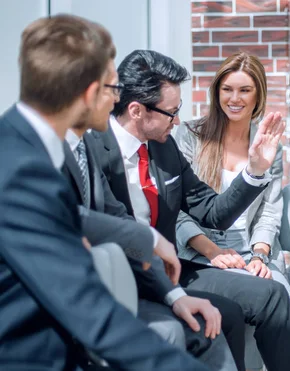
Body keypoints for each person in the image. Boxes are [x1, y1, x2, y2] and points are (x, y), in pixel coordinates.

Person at [0, 14, 206, 370]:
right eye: (113, 89)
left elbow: (76, 216)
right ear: (91, 94)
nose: (118, 101)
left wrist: (144, 236)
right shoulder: (21, 169)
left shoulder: (21, 147)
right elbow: (92, 314)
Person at [87, 49, 290, 371]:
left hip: (172, 269)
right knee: (227, 316)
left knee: (272, 295)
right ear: (137, 111)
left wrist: (255, 170)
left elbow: (213, 211)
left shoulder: (164, 147)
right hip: (128, 276)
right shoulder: (93, 150)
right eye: (171, 112)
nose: (178, 120)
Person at [61, 51, 242, 370]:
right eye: (111, 89)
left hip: (155, 275)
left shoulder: (160, 145)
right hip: (104, 293)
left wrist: (255, 172)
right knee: (182, 329)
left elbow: (119, 219)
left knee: (221, 317)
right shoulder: (82, 150)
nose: (115, 98)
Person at [174, 51, 290, 369]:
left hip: (250, 253)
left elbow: (269, 209)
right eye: (227, 89)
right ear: (217, 92)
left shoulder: (268, 145)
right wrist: (212, 251)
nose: (234, 98)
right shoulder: (189, 136)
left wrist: (259, 254)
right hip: (200, 253)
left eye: (244, 90)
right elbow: (177, 210)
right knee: (269, 298)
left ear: (258, 95)